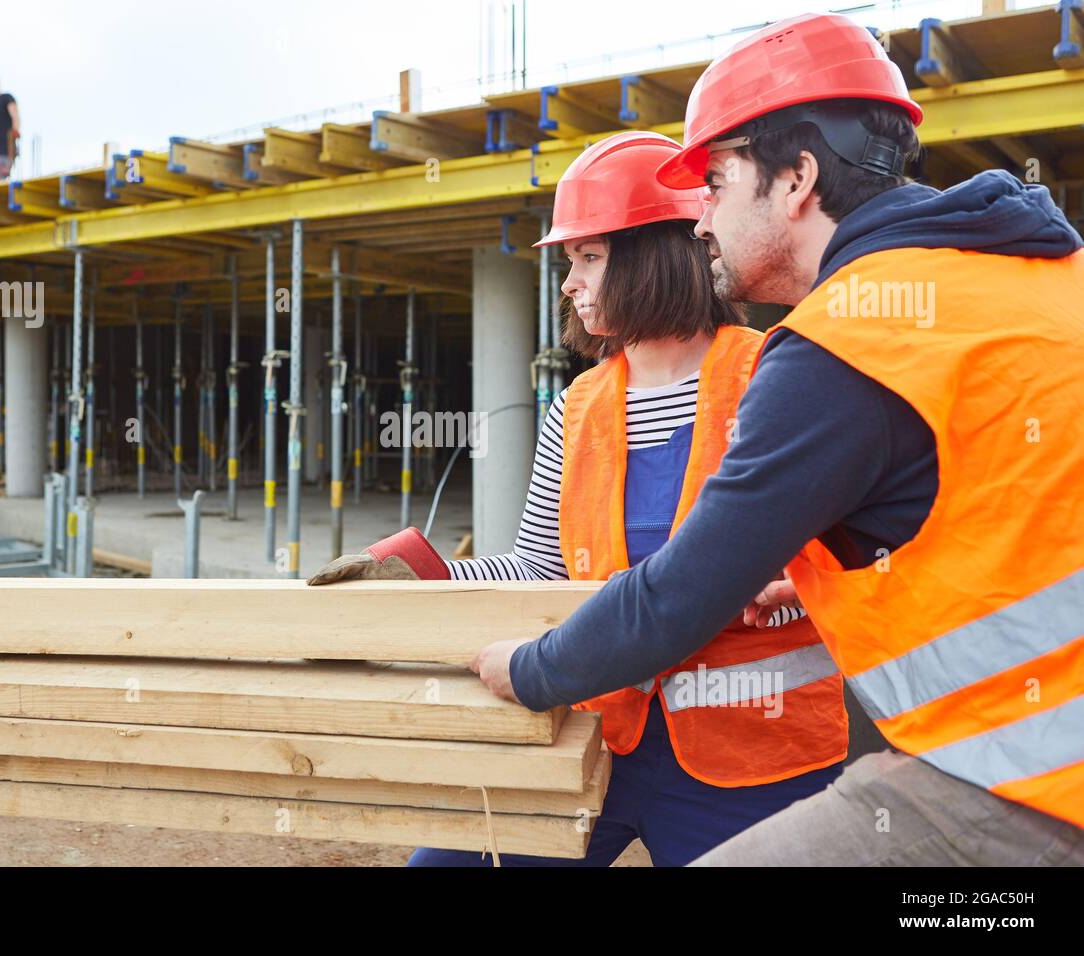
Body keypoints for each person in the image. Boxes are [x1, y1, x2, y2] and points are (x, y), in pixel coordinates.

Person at [472, 12, 1084, 865]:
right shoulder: (1038, 274)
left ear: (796, 179)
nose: (700, 221)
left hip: (1022, 777)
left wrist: (528, 670)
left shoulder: (842, 344)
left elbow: (675, 597)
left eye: (717, 184)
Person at [309, 132, 847, 867]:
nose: (569, 282)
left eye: (589, 257)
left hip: (755, 753)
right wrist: (424, 571)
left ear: (659, 252)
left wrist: (808, 581)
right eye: (571, 261)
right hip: (600, 729)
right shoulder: (580, 406)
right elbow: (541, 563)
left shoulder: (778, 377)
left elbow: (867, 551)